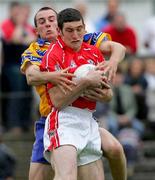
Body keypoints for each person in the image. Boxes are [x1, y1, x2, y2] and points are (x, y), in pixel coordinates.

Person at [21, 7, 127, 180]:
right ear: (36, 30)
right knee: (39, 177)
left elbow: (118, 48)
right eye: (42, 22)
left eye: (51, 19)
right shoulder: (37, 51)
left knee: (115, 148)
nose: (48, 24)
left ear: (58, 24)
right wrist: (56, 75)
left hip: (85, 116)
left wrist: (113, 62)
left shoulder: (82, 39)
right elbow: (31, 76)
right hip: (53, 117)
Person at [41, 8, 113, 180]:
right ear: (59, 31)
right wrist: (85, 83)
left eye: (79, 29)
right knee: (66, 177)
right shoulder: (52, 55)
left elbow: (108, 95)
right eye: (70, 30)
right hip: (64, 121)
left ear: (84, 27)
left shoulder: (94, 52)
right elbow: (58, 102)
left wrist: (96, 93)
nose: (76, 35)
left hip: (88, 120)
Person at [1, 1, 36, 135]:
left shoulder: (27, 26)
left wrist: (24, 33)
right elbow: (15, 39)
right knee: (17, 93)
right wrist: (20, 25)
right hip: (11, 66)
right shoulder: (6, 25)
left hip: (23, 66)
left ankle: (25, 122)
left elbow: (34, 40)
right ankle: (14, 124)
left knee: (27, 94)